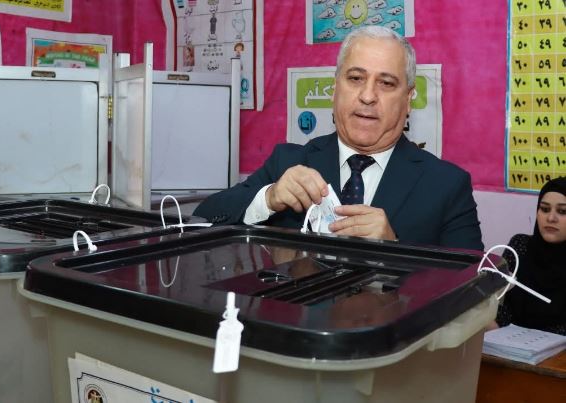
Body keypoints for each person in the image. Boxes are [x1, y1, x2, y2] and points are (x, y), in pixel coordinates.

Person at [194, 26, 483, 250]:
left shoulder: (447, 185)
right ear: (335, 89)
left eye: (386, 83)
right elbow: (202, 219)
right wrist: (268, 198)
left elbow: (473, 289)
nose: (368, 96)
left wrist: (394, 250)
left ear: (408, 99)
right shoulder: (288, 162)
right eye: (355, 78)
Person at [493, 176, 566, 335]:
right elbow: (498, 307)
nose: (551, 218)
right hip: (506, 344)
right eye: (544, 209)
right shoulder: (519, 246)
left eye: (562, 211)